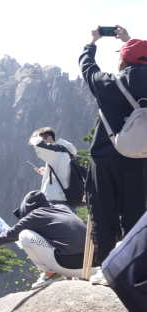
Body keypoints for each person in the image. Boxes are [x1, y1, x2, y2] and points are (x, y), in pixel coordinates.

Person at [80, 25, 147, 285]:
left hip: (106, 159)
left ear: (122, 59)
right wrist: (132, 41)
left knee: (103, 211)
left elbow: (88, 68)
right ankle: (136, 269)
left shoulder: (109, 84)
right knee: (137, 214)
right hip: (141, 160)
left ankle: (109, 269)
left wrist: (93, 41)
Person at [0, 191, 96, 289]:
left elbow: (12, 233)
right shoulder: (63, 209)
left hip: (70, 265)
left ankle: (51, 275)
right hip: (94, 262)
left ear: (28, 208)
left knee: (24, 235)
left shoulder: (35, 215)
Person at [28, 127, 79, 213]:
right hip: (66, 203)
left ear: (50, 138)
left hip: (57, 204)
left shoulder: (58, 152)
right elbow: (63, 176)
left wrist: (33, 139)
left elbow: (40, 146)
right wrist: (47, 173)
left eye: (42, 139)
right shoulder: (64, 152)